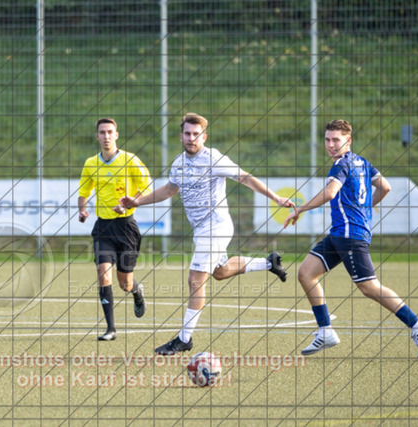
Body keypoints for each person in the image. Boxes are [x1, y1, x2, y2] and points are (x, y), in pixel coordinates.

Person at [118, 113, 293, 355]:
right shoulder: (179, 162)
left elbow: (245, 178)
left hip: (216, 226)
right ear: (181, 136)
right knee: (220, 272)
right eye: (187, 134)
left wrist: (275, 197)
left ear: (204, 137)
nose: (191, 138)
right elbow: (169, 189)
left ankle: (184, 339)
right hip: (201, 230)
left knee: (195, 279)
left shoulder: (213, 158)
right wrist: (137, 201)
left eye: (196, 134)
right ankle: (269, 263)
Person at [284, 119, 418, 358]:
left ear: (348, 140)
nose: (330, 145)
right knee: (306, 273)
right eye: (327, 139)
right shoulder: (362, 162)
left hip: (350, 236)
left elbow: (330, 193)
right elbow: (385, 187)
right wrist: (364, 209)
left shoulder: (340, 165)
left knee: (368, 286)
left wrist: (300, 209)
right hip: (339, 233)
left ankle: (417, 324)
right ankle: (325, 331)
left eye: (336, 140)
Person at [78, 118, 151, 341]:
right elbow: (84, 191)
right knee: (103, 274)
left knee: (125, 284)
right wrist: (82, 210)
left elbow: (147, 188)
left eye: (110, 132)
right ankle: (111, 329)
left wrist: (128, 204)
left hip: (126, 227)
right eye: (102, 132)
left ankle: (137, 290)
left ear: (117, 135)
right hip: (103, 228)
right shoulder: (91, 163)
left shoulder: (130, 160)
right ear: (97, 136)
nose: (106, 136)